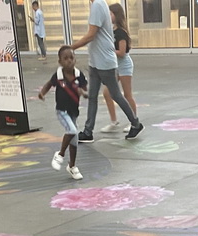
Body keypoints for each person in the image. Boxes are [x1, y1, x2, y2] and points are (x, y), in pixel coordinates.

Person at [71, 0, 143, 143]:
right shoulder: (99, 4)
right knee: (93, 96)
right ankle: (88, 131)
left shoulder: (98, 5)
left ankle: (135, 123)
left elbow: (91, 34)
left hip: (104, 62)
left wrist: (71, 47)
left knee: (116, 94)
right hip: (96, 62)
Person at [38, 45, 88, 181]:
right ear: (60, 61)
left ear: (75, 59)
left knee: (74, 141)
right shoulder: (58, 76)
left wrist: (83, 93)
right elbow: (49, 84)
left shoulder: (79, 75)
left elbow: (85, 90)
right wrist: (42, 93)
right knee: (72, 130)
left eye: (71, 58)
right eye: (65, 58)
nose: (69, 61)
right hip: (62, 111)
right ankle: (59, 154)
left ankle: (72, 166)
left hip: (73, 111)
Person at [101, 3, 136, 134]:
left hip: (124, 65)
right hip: (114, 65)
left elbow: (121, 52)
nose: (108, 16)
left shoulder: (121, 32)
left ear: (116, 15)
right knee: (106, 93)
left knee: (127, 94)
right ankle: (113, 121)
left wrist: (108, 51)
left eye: (110, 14)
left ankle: (133, 121)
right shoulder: (111, 30)